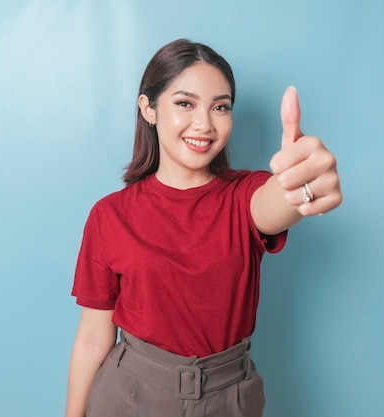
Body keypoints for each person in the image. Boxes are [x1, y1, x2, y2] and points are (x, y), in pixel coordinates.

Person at [65, 39, 342, 417]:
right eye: (185, 103)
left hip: (229, 399)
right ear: (149, 109)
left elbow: (276, 201)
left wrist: (301, 184)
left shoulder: (245, 196)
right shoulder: (110, 215)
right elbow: (93, 337)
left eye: (220, 107)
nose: (205, 124)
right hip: (128, 396)